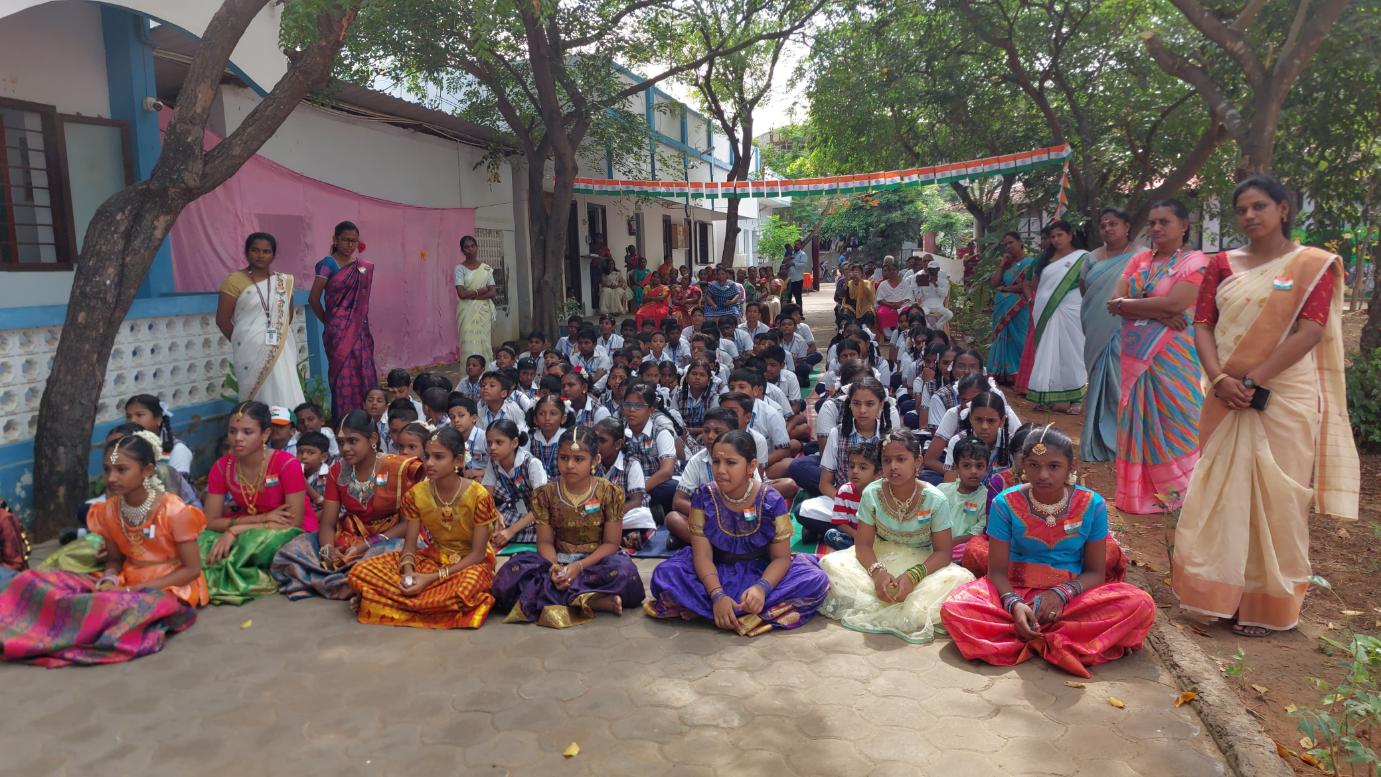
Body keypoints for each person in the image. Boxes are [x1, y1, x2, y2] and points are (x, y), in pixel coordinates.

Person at [1173, 175, 1359, 637]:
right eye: (1241, 209)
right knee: (1223, 494)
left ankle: (1265, 602)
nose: (1249, 216)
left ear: (1283, 209)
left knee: (1279, 498)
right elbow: (1202, 324)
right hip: (1224, 392)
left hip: (1284, 394)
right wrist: (1220, 379)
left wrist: (1252, 379)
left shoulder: (1311, 265)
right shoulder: (1222, 264)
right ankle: (1221, 595)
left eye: (1259, 206)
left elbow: (1311, 331)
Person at [941, 427, 1155, 677]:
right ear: (1023, 466)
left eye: (1053, 466)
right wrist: (1014, 604)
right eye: (1034, 465)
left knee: (1141, 604)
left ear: (1071, 467)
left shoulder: (1092, 504)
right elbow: (996, 572)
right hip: (1015, 590)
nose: (1043, 475)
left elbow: (1095, 573)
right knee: (954, 609)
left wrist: (1060, 594)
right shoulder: (1005, 503)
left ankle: (1028, 635)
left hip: (1072, 596)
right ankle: (1059, 637)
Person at [0, 435, 202, 666]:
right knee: (35, 580)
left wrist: (135, 589)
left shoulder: (175, 511)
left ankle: (36, 640)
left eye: (121, 470)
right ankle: (18, 630)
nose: (111, 478)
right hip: (126, 581)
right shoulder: (108, 511)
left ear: (147, 471)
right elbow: (114, 561)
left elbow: (192, 570)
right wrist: (108, 579)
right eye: (107, 470)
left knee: (111, 608)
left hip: (172, 587)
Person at [645, 431, 830, 636]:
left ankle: (710, 609)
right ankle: (744, 611)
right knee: (665, 574)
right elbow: (703, 556)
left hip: (761, 570)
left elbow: (781, 558)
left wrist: (761, 588)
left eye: (731, 463)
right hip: (715, 570)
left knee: (814, 579)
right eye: (716, 462)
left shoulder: (771, 500)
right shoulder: (703, 497)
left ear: (751, 466)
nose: (721, 470)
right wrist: (717, 595)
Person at [819, 430, 975, 643]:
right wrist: (878, 574)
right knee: (829, 565)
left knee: (961, 582)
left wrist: (913, 576)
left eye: (901, 459)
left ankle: (903, 602)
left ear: (917, 461)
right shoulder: (872, 493)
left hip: (923, 562)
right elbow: (863, 545)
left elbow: (943, 552)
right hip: (879, 557)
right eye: (887, 460)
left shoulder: (936, 499)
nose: (893, 466)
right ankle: (886, 595)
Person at [1105, 200, 1207, 513]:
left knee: (1180, 416)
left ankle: (1182, 491)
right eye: (1152, 223)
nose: (1156, 228)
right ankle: (1143, 494)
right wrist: (1158, 310)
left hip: (1175, 356)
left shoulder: (1195, 261)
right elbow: (1113, 302)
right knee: (1139, 420)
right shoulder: (1139, 260)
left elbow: (1176, 304)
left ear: (1184, 225)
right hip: (1135, 357)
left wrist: (1134, 305)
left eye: (1165, 222)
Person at [492, 428, 646, 627]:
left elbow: (611, 544)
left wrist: (578, 567)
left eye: (579, 459)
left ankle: (567, 596)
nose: (570, 465)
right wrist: (555, 568)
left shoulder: (610, 493)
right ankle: (594, 600)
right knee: (512, 575)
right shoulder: (545, 494)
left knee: (624, 571)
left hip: (596, 562)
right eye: (564, 458)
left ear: (595, 460)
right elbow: (545, 542)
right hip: (557, 558)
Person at [348, 427, 499, 629]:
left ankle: (389, 601)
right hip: (434, 557)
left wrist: (430, 579)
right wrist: (409, 574)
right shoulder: (416, 494)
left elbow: (478, 554)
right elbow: (410, 545)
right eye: (427, 456)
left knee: (466, 586)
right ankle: (419, 600)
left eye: (438, 457)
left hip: (469, 564)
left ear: (458, 461)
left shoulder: (479, 496)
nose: (429, 463)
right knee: (360, 570)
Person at [271, 410, 424, 601]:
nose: (345, 448)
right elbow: (328, 523)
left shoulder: (401, 468)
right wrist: (328, 549)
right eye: (341, 442)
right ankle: (351, 581)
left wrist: (366, 545)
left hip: (391, 539)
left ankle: (350, 580)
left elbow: (409, 524)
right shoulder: (337, 471)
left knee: (379, 558)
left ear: (372, 439)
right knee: (292, 550)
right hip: (348, 537)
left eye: (352, 441)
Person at [199, 401, 310, 605]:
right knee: (200, 540)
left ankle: (238, 577)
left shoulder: (287, 464)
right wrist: (259, 519)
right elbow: (210, 521)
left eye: (247, 432)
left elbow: (293, 523)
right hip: (252, 521)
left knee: (254, 543)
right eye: (232, 431)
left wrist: (235, 531)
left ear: (265, 434)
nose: (238, 438)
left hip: (284, 530)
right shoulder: (222, 466)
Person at [1079, 208, 1147, 461]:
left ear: (1126, 226)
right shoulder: (1091, 258)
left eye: (1113, 224)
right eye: (1103, 225)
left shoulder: (1142, 255)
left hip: (1128, 328)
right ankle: (1097, 439)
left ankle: (1125, 440)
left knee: (1122, 382)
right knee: (1098, 378)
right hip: (1096, 325)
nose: (1107, 229)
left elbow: (1148, 291)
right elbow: (1085, 289)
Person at [216, 232, 306, 409]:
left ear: (273, 255)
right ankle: (257, 425)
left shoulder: (282, 282)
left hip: (278, 349)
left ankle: (283, 423)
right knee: (257, 399)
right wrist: (243, 341)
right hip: (248, 349)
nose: (260, 255)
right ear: (246, 252)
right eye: (255, 250)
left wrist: (273, 338)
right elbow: (222, 319)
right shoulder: (234, 281)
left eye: (266, 251)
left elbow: (287, 317)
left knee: (282, 388)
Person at [310, 221, 378, 419]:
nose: (350, 245)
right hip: (337, 332)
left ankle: (366, 420)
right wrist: (330, 322)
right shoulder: (328, 264)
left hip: (359, 329)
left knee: (364, 371)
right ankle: (344, 420)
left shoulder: (361, 267)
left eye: (354, 241)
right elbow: (313, 299)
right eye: (345, 240)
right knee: (343, 376)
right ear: (335, 240)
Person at [1026, 220, 1089, 413]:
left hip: (1072, 309)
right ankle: (1047, 397)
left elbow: (1089, 283)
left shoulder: (1083, 257)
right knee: (1048, 352)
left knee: (1073, 352)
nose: (1055, 239)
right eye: (1052, 236)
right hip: (1046, 311)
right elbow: (1035, 283)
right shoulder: (1045, 259)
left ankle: (1077, 399)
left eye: (1060, 235)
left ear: (1070, 235)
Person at [483, 419, 547, 548]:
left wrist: (510, 531)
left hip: (537, 512)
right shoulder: (494, 461)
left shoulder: (532, 463)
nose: (492, 447)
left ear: (514, 443)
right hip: (516, 507)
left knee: (542, 531)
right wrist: (496, 515)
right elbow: (486, 497)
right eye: (489, 443)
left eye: (498, 442)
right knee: (484, 523)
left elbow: (541, 507)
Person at [987, 232, 1034, 385]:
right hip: (1002, 308)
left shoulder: (1029, 263)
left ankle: (1021, 375)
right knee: (1002, 338)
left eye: (1011, 242)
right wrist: (1002, 264)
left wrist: (1007, 289)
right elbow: (994, 283)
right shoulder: (1007, 265)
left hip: (1020, 308)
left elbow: (1030, 285)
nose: (1008, 246)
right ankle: (1002, 373)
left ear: (1020, 242)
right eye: (1005, 244)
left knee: (1019, 338)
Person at [122, 395, 195, 477]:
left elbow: (176, 484)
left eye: (139, 415)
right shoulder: (128, 447)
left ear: (158, 419)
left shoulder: (178, 450)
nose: (132, 420)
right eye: (128, 416)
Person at [454, 234, 498, 365]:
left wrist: (473, 296)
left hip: (484, 311)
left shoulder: (486, 269)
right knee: (468, 344)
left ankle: (486, 372)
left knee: (485, 343)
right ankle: (470, 372)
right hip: (466, 311)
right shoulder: (459, 269)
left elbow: (492, 292)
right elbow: (461, 294)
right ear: (462, 250)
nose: (470, 249)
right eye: (466, 247)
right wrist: (480, 291)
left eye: (473, 246)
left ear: (477, 247)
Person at [786, 240, 808, 308]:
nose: (795, 246)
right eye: (795, 244)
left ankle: (799, 312)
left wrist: (793, 263)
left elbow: (803, 265)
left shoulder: (802, 254)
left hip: (797, 279)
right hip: (789, 279)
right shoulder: (791, 254)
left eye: (798, 244)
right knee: (788, 298)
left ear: (801, 246)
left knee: (798, 298)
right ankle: (789, 312)